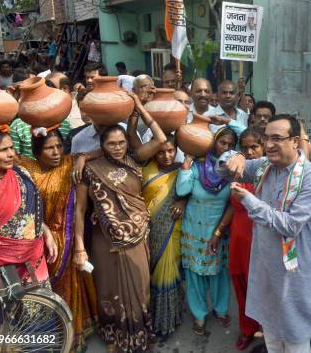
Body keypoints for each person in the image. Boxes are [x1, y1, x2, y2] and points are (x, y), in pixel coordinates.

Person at [221, 114, 311, 353]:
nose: (268, 145)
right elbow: (227, 171)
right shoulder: (264, 167)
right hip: (265, 268)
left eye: (277, 138)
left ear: (295, 141)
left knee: (295, 338)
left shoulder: (310, 176)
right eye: (266, 138)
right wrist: (234, 156)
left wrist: (250, 201)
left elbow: (290, 226)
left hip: (293, 273)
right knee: (272, 339)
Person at [72, 95, 167, 352]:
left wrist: (138, 103)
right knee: (108, 287)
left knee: (139, 286)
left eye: (121, 142)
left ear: (127, 143)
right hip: (104, 238)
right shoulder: (89, 170)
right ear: (101, 145)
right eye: (111, 144)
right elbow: (80, 210)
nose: (117, 147)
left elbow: (160, 140)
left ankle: (139, 334)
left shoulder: (135, 160)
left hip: (137, 235)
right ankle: (114, 336)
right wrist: (80, 246)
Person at [19, 127, 98, 352]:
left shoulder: (69, 164)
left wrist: (84, 157)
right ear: (37, 151)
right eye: (49, 148)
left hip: (68, 238)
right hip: (38, 241)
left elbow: (105, 150)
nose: (56, 152)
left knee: (70, 286)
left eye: (59, 146)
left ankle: (72, 334)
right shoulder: (26, 169)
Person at [176, 127, 237, 335]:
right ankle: (199, 315)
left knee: (219, 272)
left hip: (220, 228)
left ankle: (220, 310)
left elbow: (233, 202)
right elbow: (182, 190)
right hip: (194, 227)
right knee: (195, 274)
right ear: (213, 143)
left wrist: (219, 232)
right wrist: (185, 167)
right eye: (222, 142)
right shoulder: (198, 166)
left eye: (231, 144)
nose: (226, 147)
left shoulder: (234, 171)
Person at [208, 128, 265, 350]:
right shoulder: (238, 173)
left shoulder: (272, 173)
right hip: (239, 238)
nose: (250, 152)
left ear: (264, 147)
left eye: (255, 147)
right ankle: (247, 328)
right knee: (241, 286)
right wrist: (218, 232)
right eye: (246, 147)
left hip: (260, 239)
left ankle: (268, 331)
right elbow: (234, 206)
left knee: (262, 286)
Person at [0, 128, 57, 287]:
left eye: (12, 148)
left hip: (34, 260)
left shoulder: (21, 173)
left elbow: (30, 214)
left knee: (40, 307)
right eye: (3, 150)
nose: (11, 154)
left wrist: (46, 232)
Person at [140, 134, 186, 339]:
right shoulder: (144, 168)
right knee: (149, 274)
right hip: (146, 229)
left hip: (171, 228)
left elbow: (190, 190)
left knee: (167, 271)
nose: (167, 155)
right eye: (160, 151)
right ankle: (154, 316)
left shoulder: (181, 169)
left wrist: (183, 202)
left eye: (171, 150)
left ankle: (166, 320)